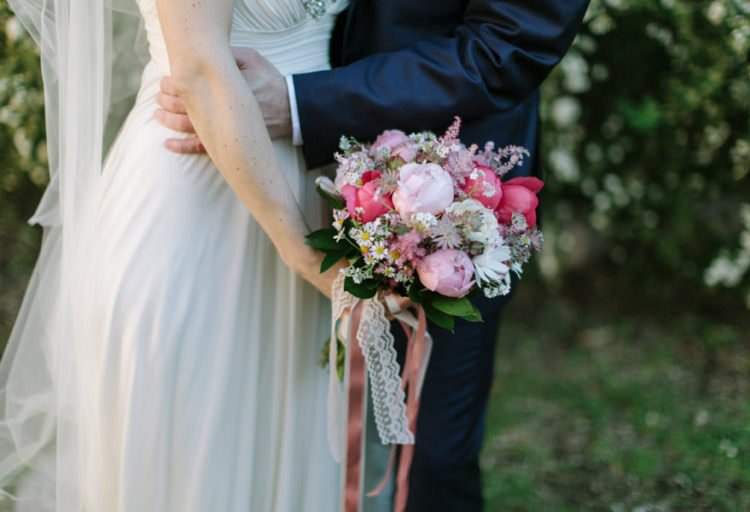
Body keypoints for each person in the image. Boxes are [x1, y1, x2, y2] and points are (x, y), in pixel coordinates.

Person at [156, 1, 590, 510]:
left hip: (438, 188)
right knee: (221, 420)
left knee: (427, 453)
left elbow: (508, 44)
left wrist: (301, 102)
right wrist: (225, 100)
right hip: (234, 165)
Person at [0, 0, 350, 510]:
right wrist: (301, 250)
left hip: (309, 179)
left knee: (286, 432)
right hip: (194, 196)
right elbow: (202, 73)